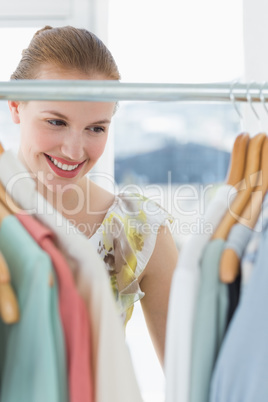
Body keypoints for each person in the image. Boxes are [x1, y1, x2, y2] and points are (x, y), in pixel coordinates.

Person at [8, 25, 178, 366]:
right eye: (56, 122)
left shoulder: (139, 231)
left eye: (96, 128)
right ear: (15, 106)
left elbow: (192, 380)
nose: (73, 150)